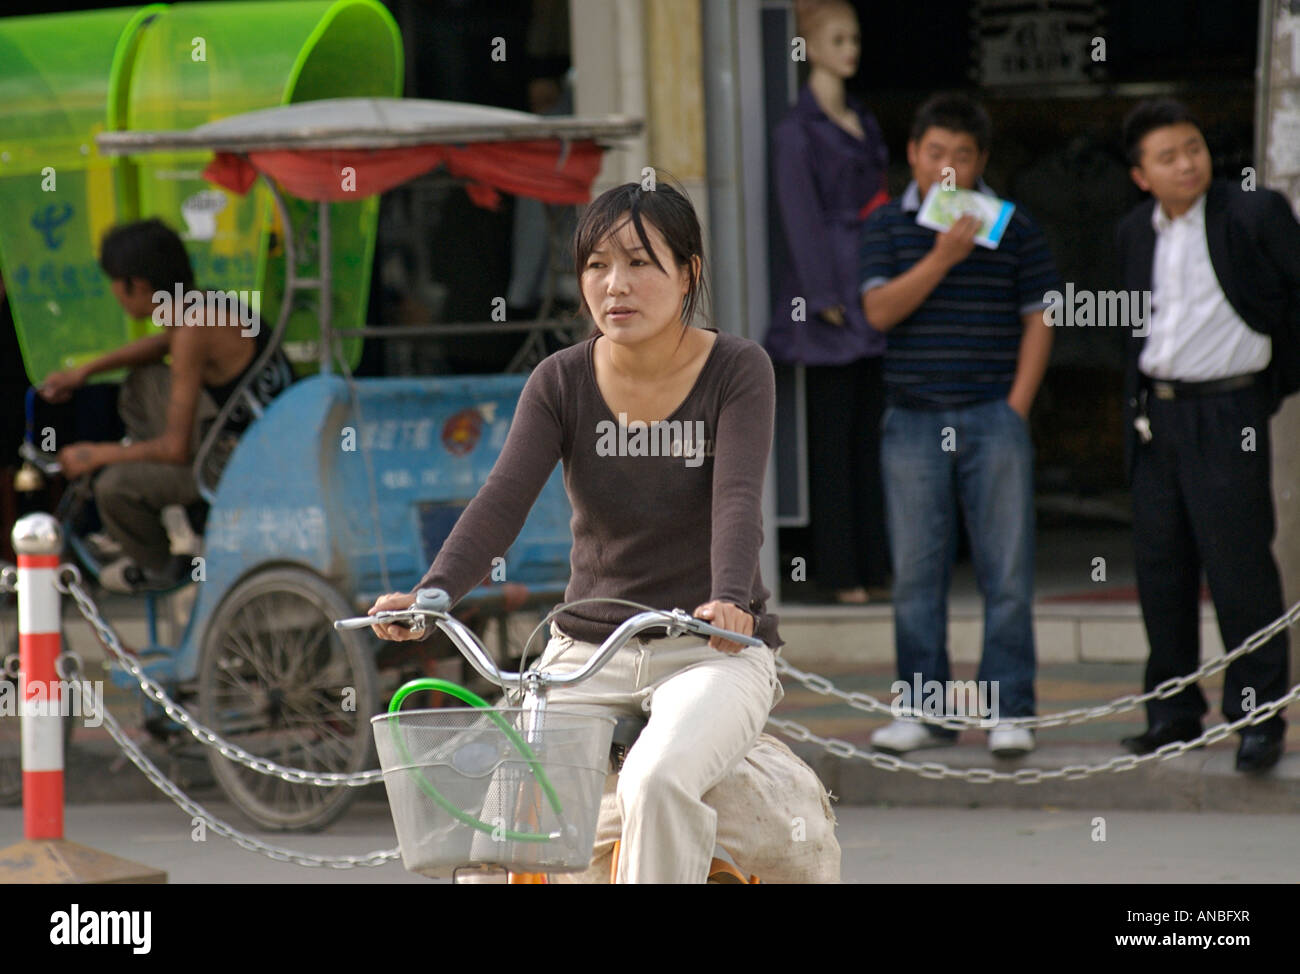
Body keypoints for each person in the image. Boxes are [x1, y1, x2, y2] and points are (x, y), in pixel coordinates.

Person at [369, 180, 794, 883]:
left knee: (656, 780)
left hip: (709, 651)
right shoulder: (560, 380)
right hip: (583, 652)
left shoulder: (737, 369)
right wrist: (432, 594)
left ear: (687, 273)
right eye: (596, 264)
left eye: (639, 262)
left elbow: (738, 498)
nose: (614, 284)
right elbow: (502, 499)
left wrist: (728, 600)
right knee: (500, 831)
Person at [858, 93, 1059, 757]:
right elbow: (880, 312)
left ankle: (1011, 710)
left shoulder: (1015, 227)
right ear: (914, 155)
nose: (948, 168)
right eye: (935, 153)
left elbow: (1040, 317)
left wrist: (1015, 408)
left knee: (1007, 572)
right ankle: (924, 710)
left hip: (991, 417)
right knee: (917, 575)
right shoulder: (887, 225)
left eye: (962, 156)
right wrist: (943, 256)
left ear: (981, 163)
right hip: (912, 420)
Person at [1116, 99, 1298, 773]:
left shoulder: (1254, 213)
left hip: (1229, 413)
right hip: (1156, 417)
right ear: (1141, 175)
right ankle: (1170, 716)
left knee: (1239, 567)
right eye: (1168, 156)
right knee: (1162, 569)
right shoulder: (1134, 231)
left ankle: (1257, 720)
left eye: (1192, 147)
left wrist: (1271, 386)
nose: (1187, 163)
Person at [38, 218, 293, 591]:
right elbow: (161, 344)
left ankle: (164, 570)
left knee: (114, 487)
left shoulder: (192, 330)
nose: (113, 291)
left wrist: (98, 455)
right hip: (262, 443)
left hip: (244, 464)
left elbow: (175, 449)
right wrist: (85, 372)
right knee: (142, 380)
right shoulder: (207, 306)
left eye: (114, 282)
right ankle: (162, 500)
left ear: (137, 286)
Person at [766, 0, 891, 604]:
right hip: (829, 296)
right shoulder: (795, 131)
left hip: (873, 280)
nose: (851, 48)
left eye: (855, 36)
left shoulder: (864, 120)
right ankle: (840, 569)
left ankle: (875, 563)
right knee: (833, 439)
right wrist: (820, 294)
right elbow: (799, 216)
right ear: (808, 46)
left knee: (872, 434)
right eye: (837, 37)